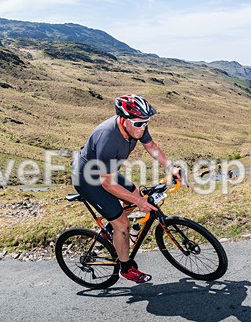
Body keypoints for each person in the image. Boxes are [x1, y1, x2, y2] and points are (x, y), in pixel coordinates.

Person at [72, 94, 181, 283]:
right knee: (123, 223)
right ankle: (126, 267)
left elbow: (152, 146)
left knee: (136, 195)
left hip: (107, 173)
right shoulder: (108, 139)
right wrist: (138, 202)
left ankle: (112, 226)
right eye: (139, 124)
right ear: (124, 120)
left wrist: (170, 166)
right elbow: (107, 184)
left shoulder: (136, 126)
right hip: (88, 179)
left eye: (146, 123)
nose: (143, 128)